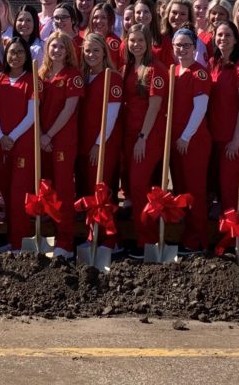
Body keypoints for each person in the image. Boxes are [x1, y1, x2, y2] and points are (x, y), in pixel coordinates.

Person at [120, 23, 167, 245]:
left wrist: (142, 137)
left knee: (139, 185)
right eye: (132, 40)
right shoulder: (128, 66)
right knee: (133, 186)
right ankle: (142, 234)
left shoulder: (155, 69)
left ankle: (146, 239)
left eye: (140, 40)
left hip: (147, 136)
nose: (136, 44)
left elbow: (154, 106)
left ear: (148, 43)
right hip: (128, 134)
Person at [166, 27, 212, 252]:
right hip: (176, 140)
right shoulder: (173, 71)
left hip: (193, 141)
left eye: (187, 45)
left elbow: (200, 108)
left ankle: (197, 239)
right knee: (181, 189)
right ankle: (186, 235)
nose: (182, 49)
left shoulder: (199, 73)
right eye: (178, 45)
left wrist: (185, 137)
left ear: (195, 48)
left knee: (195, 190)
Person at [36, 31, 83, 253]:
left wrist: (49, 135)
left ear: (68, 52)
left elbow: (69, 108)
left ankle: (65, 241)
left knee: (63, 189)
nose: (56, 50)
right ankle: (47, 234)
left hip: (61, 139)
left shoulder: (73, 75)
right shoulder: (42, 74)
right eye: (53, 46)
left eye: (61, 47)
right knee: (46, 186)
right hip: (42, 138)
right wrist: (40, 135)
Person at [0, 36, 38, 249]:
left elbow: (32, 115)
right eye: (11, 52)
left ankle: (20, 242)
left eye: (20, 52)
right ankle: (11, 240)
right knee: (7, 193)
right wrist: (1, 136)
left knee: (20, 194)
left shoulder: (32, 80)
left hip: (22, 145)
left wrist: (12, 137)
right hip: (2, 144)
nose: (15, 56)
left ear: (26, 55)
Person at [207, 20, 239, 215]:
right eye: (219, 35)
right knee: (218, 183)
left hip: (235, 134)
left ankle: (234, 232)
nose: (223, 39)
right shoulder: (213, 63)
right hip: (215, 132)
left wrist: (237, 139)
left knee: (229, 185)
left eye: (228, 35)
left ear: (236, 39)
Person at [77, 32, 124, 211]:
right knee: (87, 190)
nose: (91, 54)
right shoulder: (83, 76)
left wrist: (99, 144)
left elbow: (111, 115)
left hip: (102, 143)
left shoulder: (112, 78)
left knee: (100, 189)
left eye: (96, 50)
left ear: (104, 52)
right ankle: (92, 235)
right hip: (84, 141)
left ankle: (107, 238)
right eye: (88, 51)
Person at [13, 4, 45, 69]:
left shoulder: (39, 48)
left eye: (28, 20)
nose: (23, 24)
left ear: (35, 23)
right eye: (20, 20)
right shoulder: (9, 45)